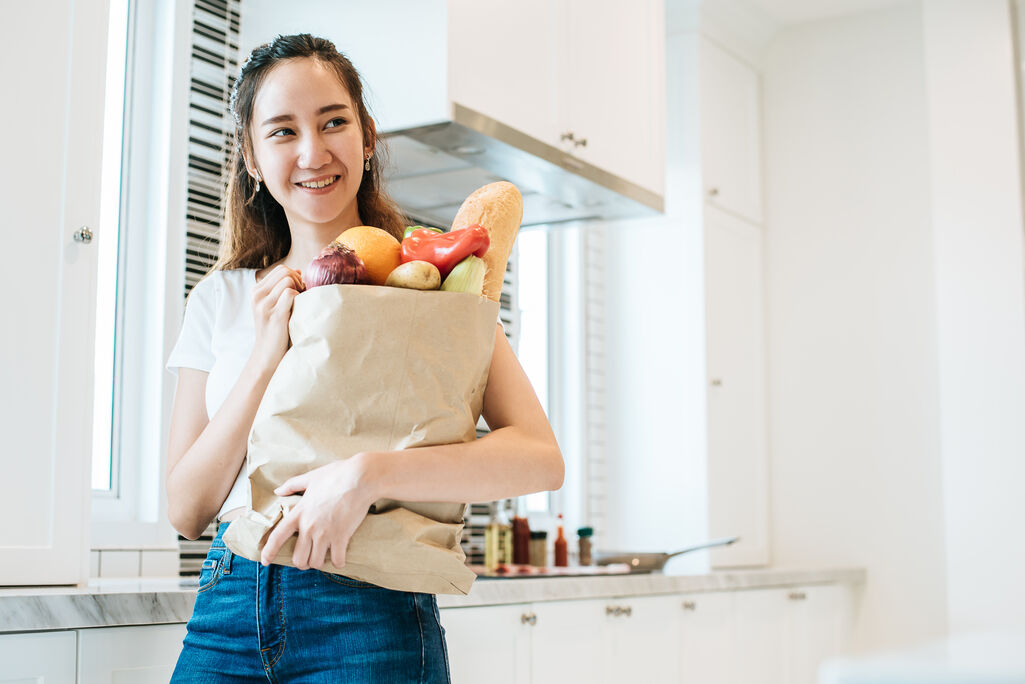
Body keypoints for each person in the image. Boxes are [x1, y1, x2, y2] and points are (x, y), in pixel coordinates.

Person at [165, 34, 563, 683]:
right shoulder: (223, 297)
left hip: (369, 604)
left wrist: (369, 475)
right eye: (282, 131)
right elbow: (186, 509)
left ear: (367, 135)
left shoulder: (429, 283)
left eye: (333, 122)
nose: (312, 152)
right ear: (251, 157)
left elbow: (539, 459)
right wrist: (269, 349)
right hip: (228, 604)